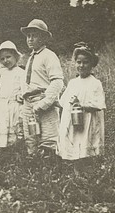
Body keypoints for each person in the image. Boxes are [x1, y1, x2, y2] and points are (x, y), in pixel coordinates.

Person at [58, 42, 106, 175]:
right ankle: (77, 177)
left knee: (86, 151)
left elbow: (98, 104)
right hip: (74, 122)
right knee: (76, 153)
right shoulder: (73, 83)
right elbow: (64, 102)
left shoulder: (95, 83)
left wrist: (81, 104)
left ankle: (89, 179)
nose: (81, 65)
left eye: (85, 62)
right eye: (78, 62)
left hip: (88, 122)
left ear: (92, 64)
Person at [20, 19, 64, 156]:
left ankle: (51, 172)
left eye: (34, 35)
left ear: (44, 38)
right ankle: (34, 170)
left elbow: (57, 81)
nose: (30, 39)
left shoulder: (49, 56)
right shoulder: (30, 58)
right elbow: (28, 80)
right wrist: (23, 95)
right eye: (28, 36)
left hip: (43, 101)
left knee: (49, 139)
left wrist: (44, 103)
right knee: (31, 138)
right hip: (29, 103)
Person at [0, 41, 24, 149]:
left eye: (8, 57)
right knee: (2, 127)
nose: (5, 60)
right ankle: (1, 149)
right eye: (2, 59)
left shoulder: (21, 72)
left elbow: (23, 88)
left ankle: (14, 150)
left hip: (14, 105)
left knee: (14, 128)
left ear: (15, 56)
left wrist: (20, 96)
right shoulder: (1, 72)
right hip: (1, 105)